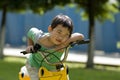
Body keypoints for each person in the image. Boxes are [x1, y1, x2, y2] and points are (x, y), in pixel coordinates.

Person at [22, 14, 84, 80]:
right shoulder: (39, 38)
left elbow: (80, 36)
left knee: (62, 77)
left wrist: (64, 44)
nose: (61, 37)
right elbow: (31, 31)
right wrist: (30, 45)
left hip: (52, 68)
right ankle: (26, 72)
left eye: (66, 35)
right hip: (34, 65)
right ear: (50, 29)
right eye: (59, 32)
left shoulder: (65, 42)